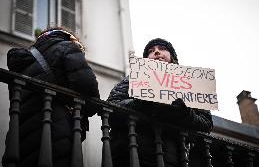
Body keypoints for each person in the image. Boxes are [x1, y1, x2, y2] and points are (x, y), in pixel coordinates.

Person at [107, 38, 213, 167]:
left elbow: (206, 123)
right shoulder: (132, 80)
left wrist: (184, 113)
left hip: (172, 158)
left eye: (162, 49)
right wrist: (141, 103)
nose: (156, 52)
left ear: (172, 56)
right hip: (130, 154)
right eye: (151, 51)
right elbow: (112, 107)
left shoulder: (188, 85)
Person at [2, 27, 100, 167]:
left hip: (20, 140)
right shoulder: (66, 46)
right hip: (55, 133)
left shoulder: (24, 61)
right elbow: (88, 89)